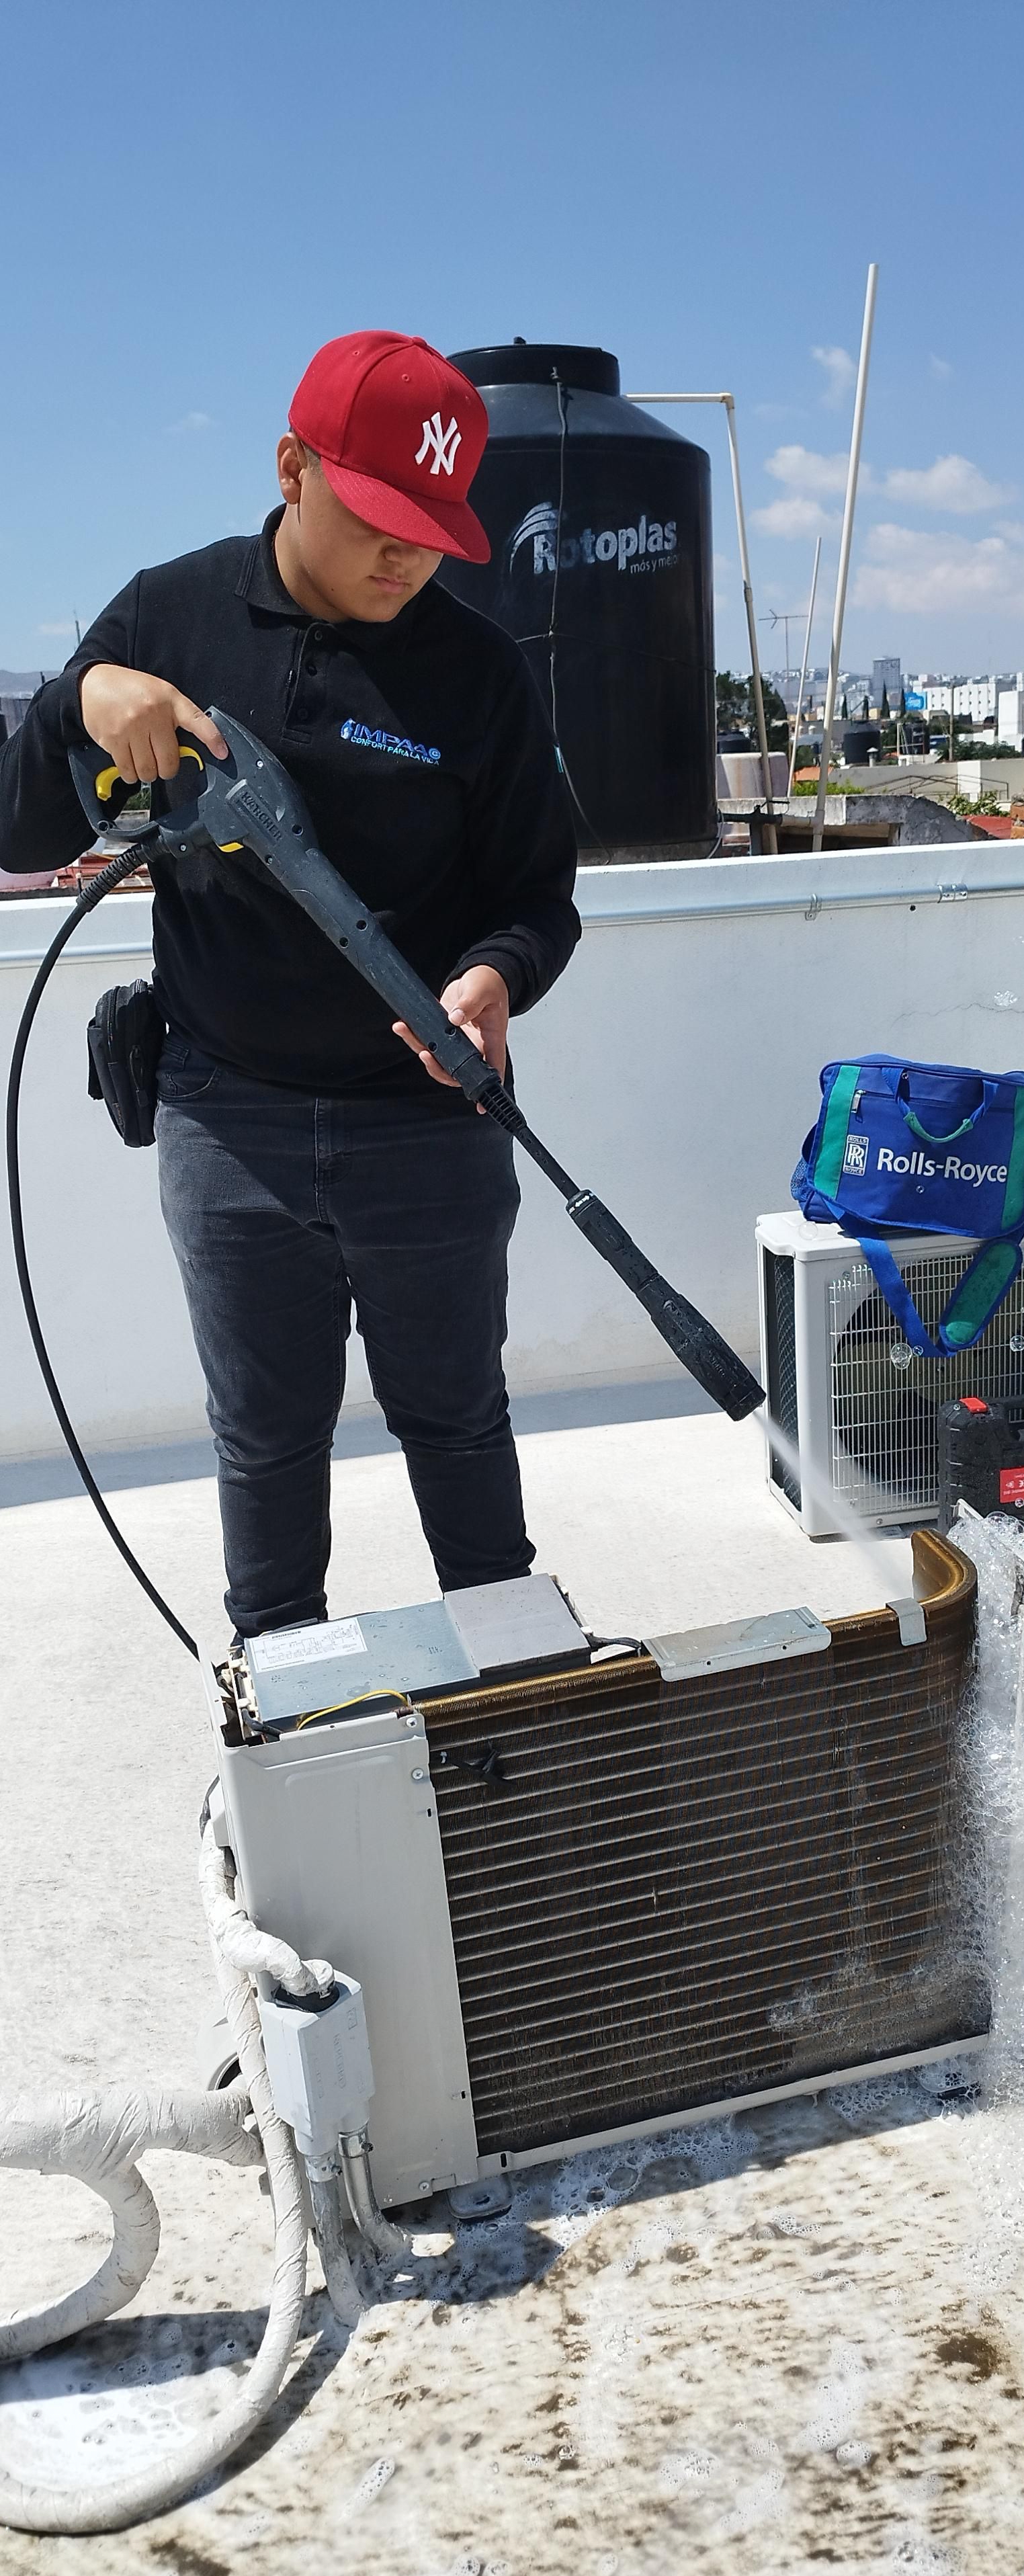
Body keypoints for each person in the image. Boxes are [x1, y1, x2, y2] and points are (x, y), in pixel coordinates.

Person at [0, 330, 580, 1636]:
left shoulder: (479, 673)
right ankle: (283, 1713)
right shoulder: (168, 616)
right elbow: (18, 828)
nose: (406, 558)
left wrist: (497, 974)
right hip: (229, 1123)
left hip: (429, 1125)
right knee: (264, 1443)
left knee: (459, 1422)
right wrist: (82, 699)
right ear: (291, 468)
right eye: (378, 519)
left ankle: (516, 1708)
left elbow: (540, 896)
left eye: (432, 531)